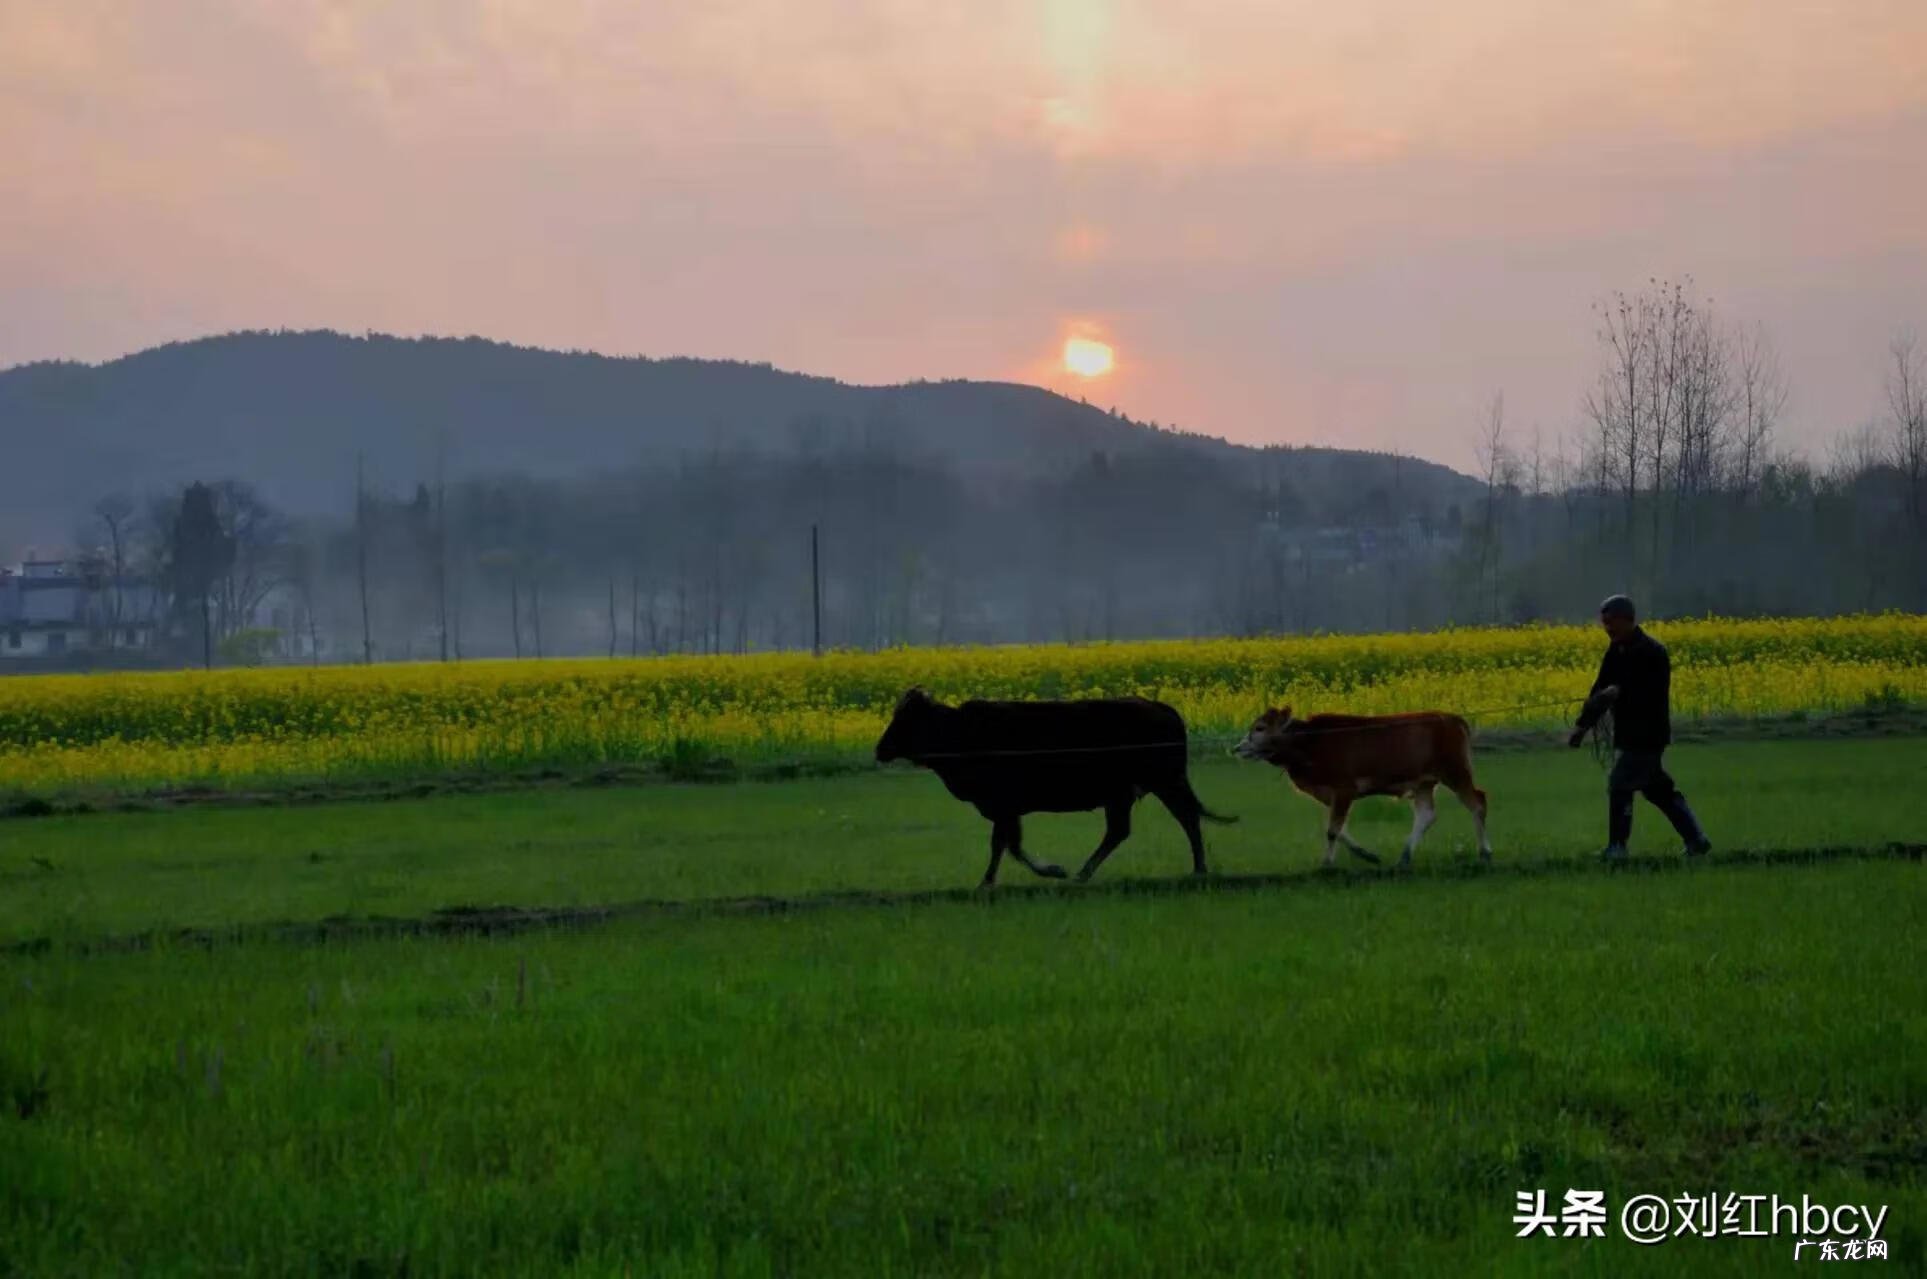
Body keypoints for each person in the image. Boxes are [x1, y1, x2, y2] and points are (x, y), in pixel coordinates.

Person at [1568, 594, 1712, 860]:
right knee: (1659, 791)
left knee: (1620, 784)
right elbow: (1599, 690)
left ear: (1627, 620)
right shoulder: (1615, 650)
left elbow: (1650, 695)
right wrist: (1582, 726)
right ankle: (1697, 840)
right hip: (1628, 734)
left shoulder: (1652, 652)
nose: (1607, 628)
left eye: (1611, 622)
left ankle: (1617, 848)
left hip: (1648, 735)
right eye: (1604, 622)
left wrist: (1618, 693)